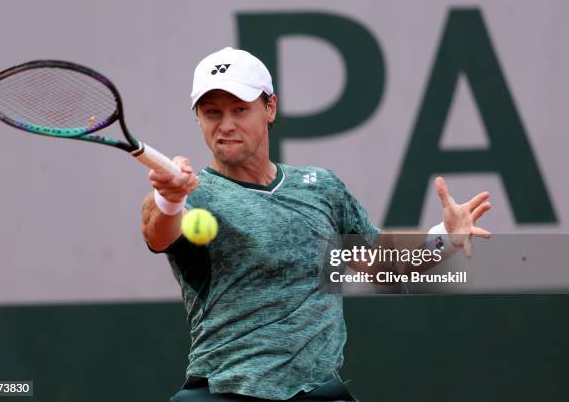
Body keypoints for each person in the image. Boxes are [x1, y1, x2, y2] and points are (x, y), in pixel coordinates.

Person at [141, 47, 492, 401]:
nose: (226, 124)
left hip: (316, 392)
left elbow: (383, 264)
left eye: (240, 109)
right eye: (212, 111)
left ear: (270, 108)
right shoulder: (194, 196)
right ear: (198, 118)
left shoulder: (321, 186)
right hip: (225, 391)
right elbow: (158, 233)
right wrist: (169, 197)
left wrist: (445, 237)